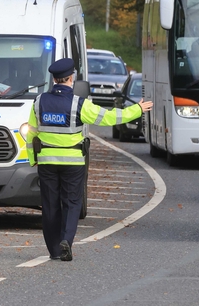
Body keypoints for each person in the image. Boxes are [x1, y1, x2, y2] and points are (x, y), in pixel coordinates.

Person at [25, 58, 152, 261]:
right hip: (73, 163)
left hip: (47, 162)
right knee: (72, 202)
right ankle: (66, 240)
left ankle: (54, 250)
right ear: (71, 78)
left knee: (49, 205)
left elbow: (31, 133)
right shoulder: (79, 104)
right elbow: (109, 117)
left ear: (54, 79)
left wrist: (33, 159)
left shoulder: (39, 102)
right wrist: (137, 109)